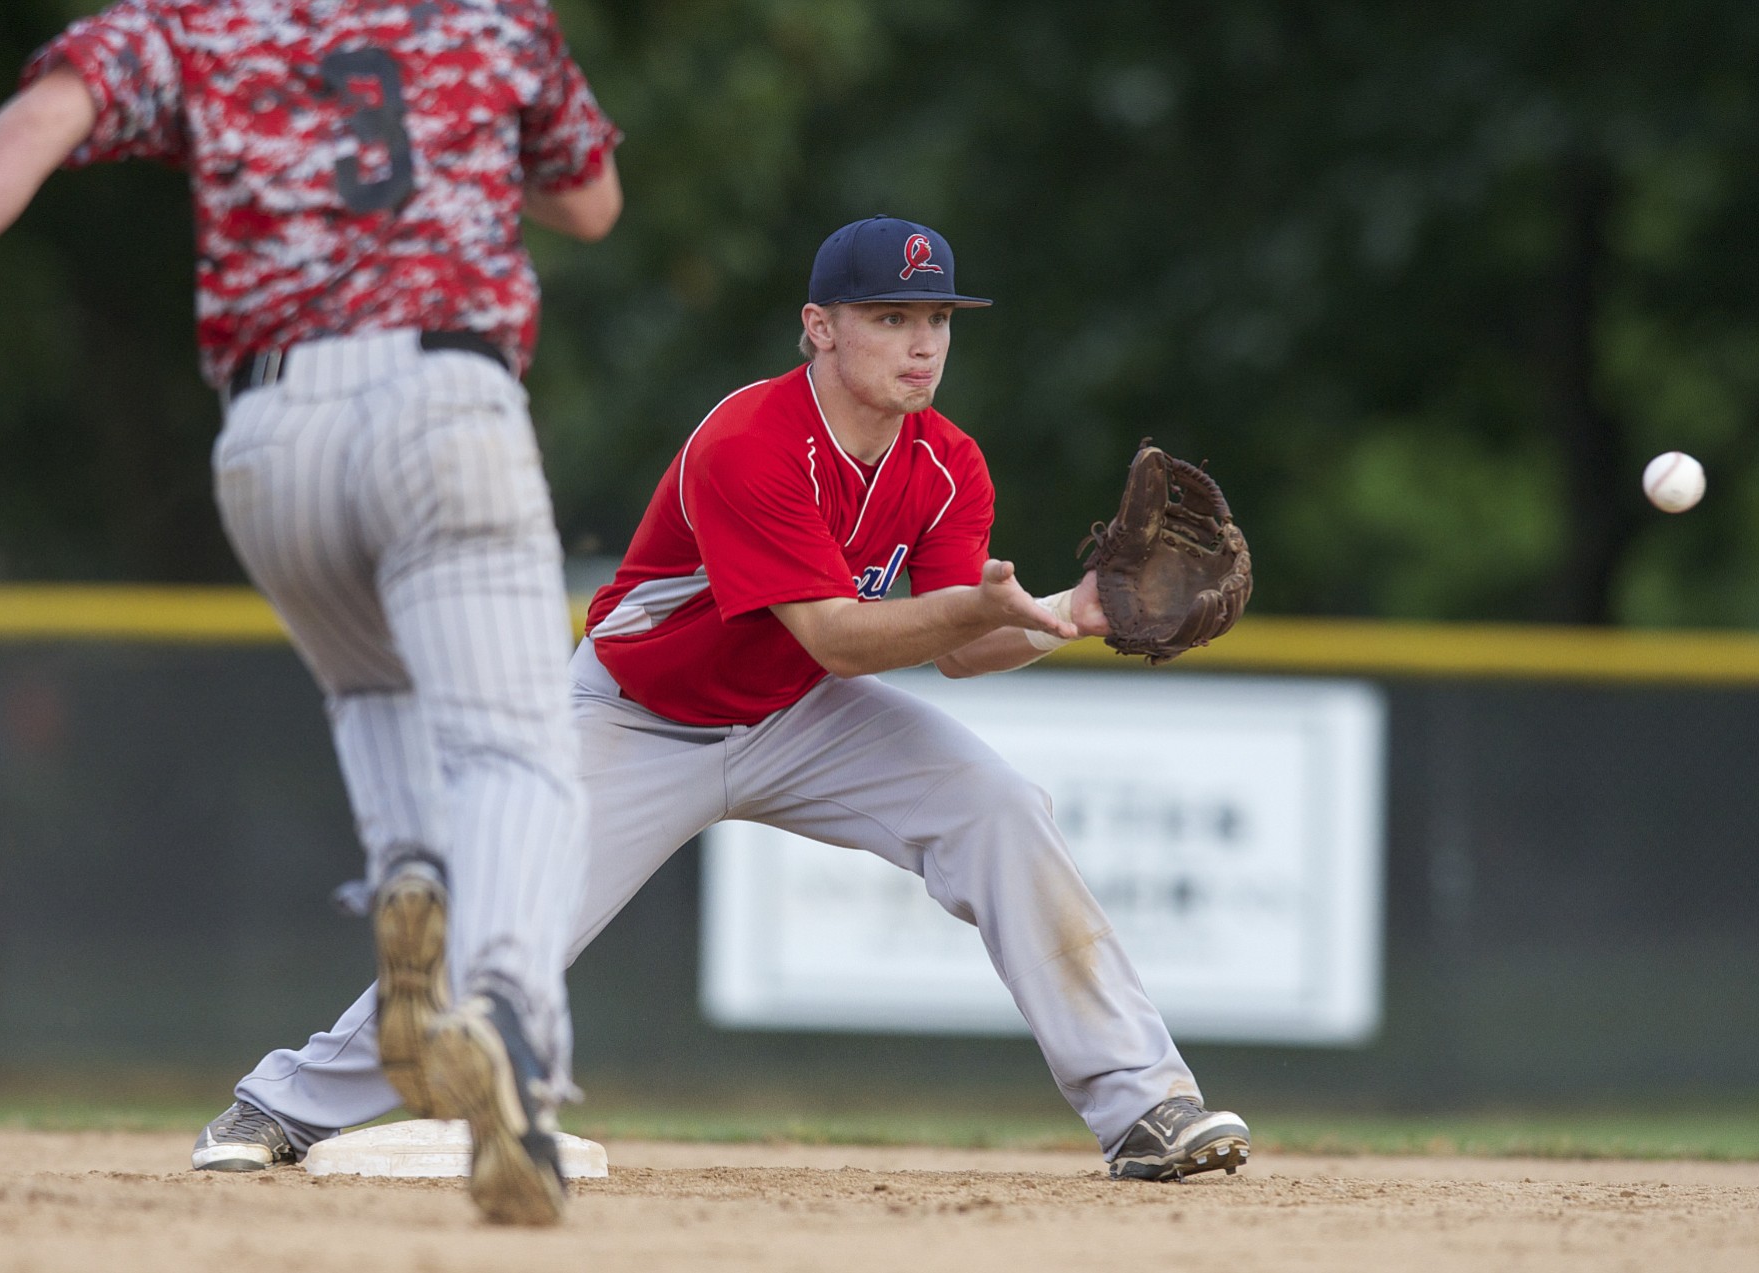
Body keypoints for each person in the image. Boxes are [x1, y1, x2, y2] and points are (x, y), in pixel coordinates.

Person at [198, 215, 1253, 1183]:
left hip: (794, 718)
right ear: (818, 329)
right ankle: (276, 1106)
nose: (921, 343)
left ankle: (1144, 1109)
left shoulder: (946, 466)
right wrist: (1009, 608)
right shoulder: (750, 441)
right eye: (888, 317)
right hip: (632, 715)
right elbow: (841, 637)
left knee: (997, 804)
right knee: (496, 943)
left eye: (935, 318)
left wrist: (1068, 616)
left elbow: (958, 651)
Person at [0, 0, 622, 1226]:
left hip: (269, 428)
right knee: (515, 747)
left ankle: (407, 868)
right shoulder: (487, 20)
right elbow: (592, 201)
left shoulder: (199, 25)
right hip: (444, 397)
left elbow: (38, 119)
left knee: (371, 683)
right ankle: (502, 1012)